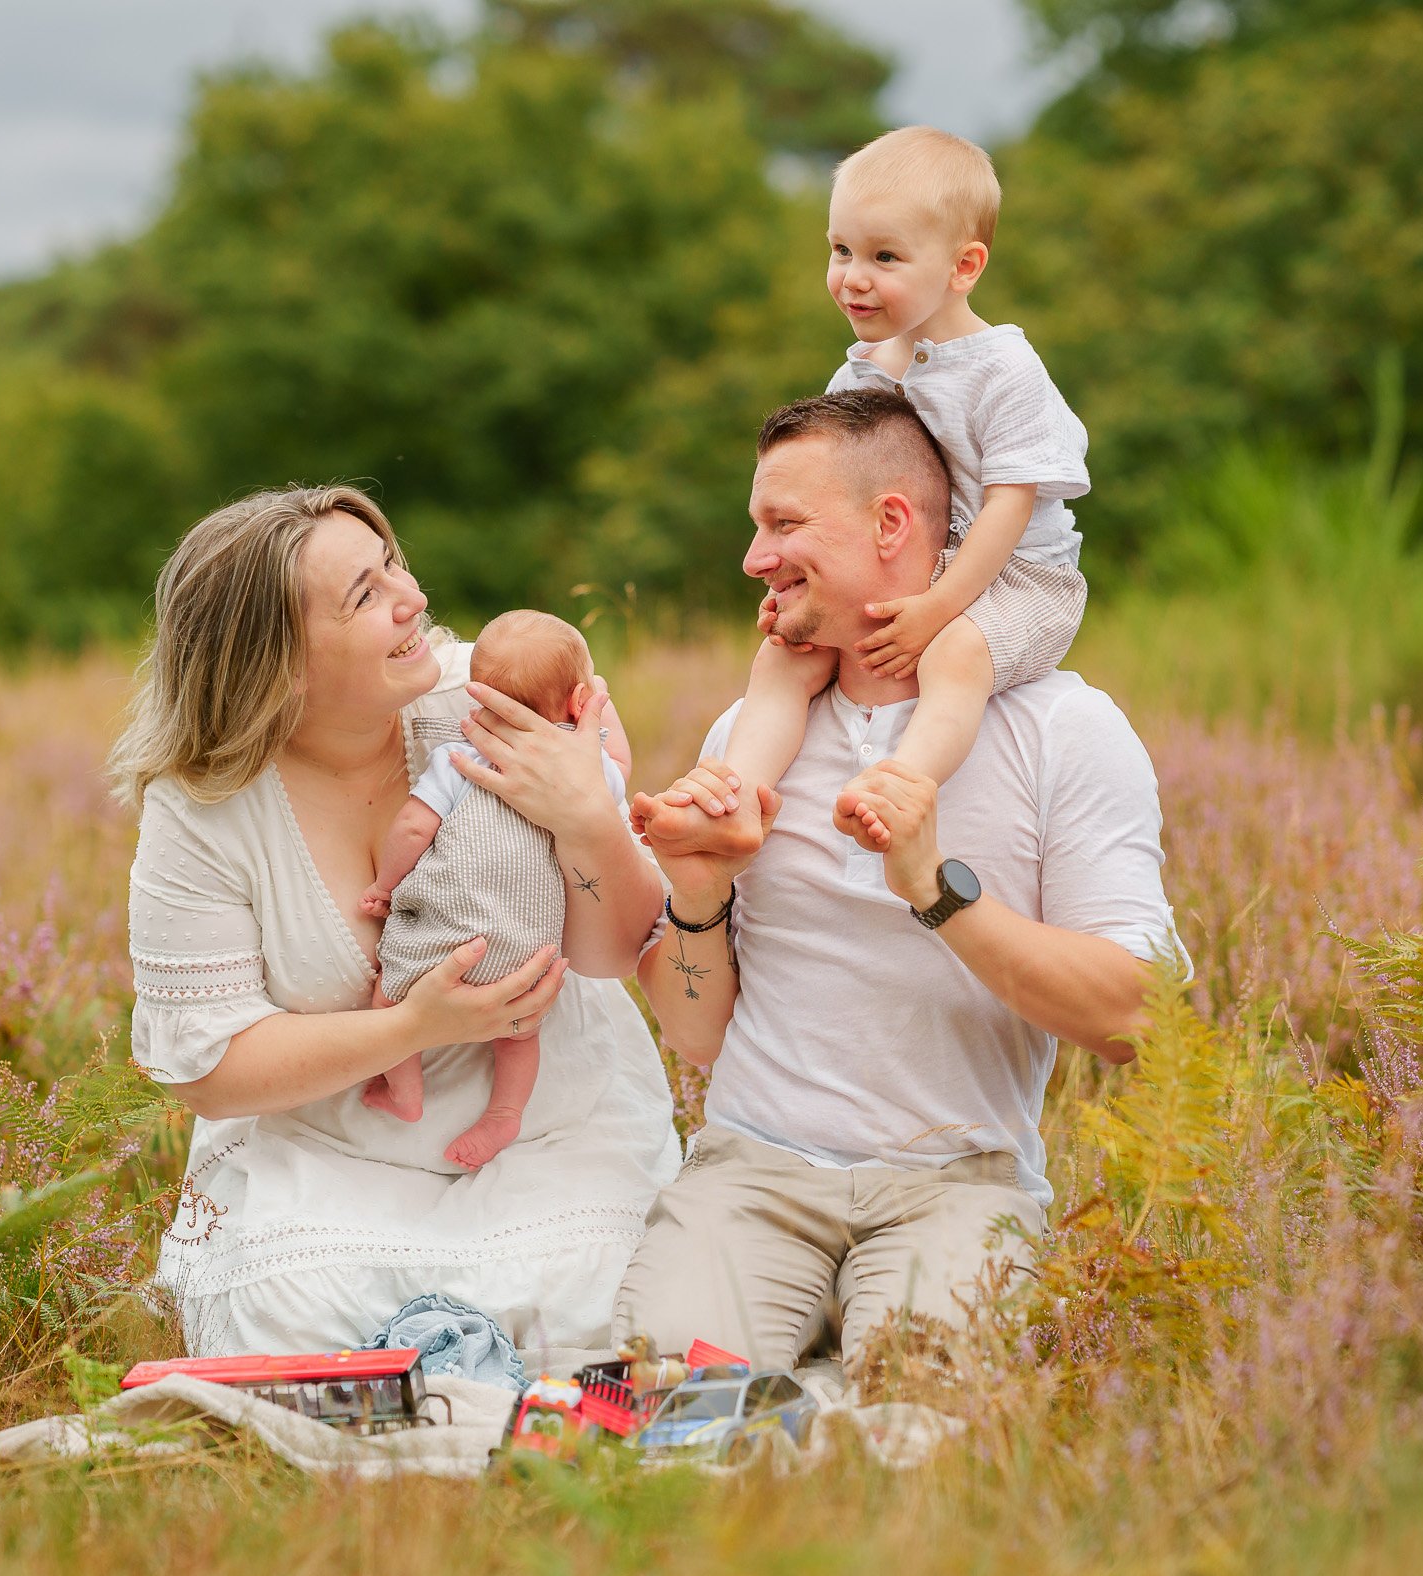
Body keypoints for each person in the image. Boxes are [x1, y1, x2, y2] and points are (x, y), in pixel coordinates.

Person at [619, 389, 1185, 1370]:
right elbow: (698, 1038)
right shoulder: (750, 738)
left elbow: (1141, 1018)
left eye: (783, 524)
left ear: (891, 524)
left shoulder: (1065, 730)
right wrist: (698, 893)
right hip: (751, 1173)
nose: (753, 557)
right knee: (666, 1397)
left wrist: (935, 891)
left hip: (957, 1186)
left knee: (919, 1412)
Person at [112, 486, 680, 1357]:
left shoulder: (490, 699)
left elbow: (615, 952)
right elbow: (213, 1069)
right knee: (287, 1306)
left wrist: (590, 819)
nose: (413, 598)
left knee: (615, 1289)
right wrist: (414, 1026)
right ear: (280, 663)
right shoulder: (202, 809)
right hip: (336, 1147)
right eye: (366, 595)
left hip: (547, 1119)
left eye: (393, 567)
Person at [702, 125, 1091, 865]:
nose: (853, 277)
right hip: (914, 572)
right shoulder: (859, 374)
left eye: (885, 257)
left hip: (1018, 579)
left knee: (956, 655)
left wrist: (940, 609)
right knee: (788, 651)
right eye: (840, 250)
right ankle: (734, 795)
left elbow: (1010, 508)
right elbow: (839, 506)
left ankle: (902, 783)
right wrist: (799, 592)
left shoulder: (1004, 369)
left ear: (963, 266)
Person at [358, 610, 632, 1169]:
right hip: (529, 952)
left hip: (447, 944)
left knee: (387, 997)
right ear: (579, 702)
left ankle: (405, 1091)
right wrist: (597, 712)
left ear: (478, 698)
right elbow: (621, 768)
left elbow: (414, 828)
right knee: (519, 1035)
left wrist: (386, 886)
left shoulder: (460, 758)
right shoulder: (587, 768)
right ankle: (506, 1114)